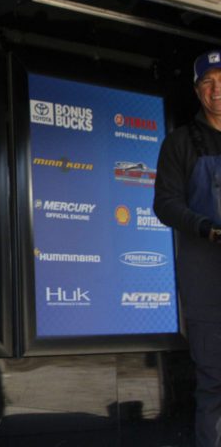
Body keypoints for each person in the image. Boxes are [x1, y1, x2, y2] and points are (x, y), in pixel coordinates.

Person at [154, 50, 221, 447]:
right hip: (207, 284)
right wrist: (206, 227)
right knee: (215, 385)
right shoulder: (180, 143)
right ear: (197, 92)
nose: (217, 91)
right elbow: (165, 203)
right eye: (208, 84)